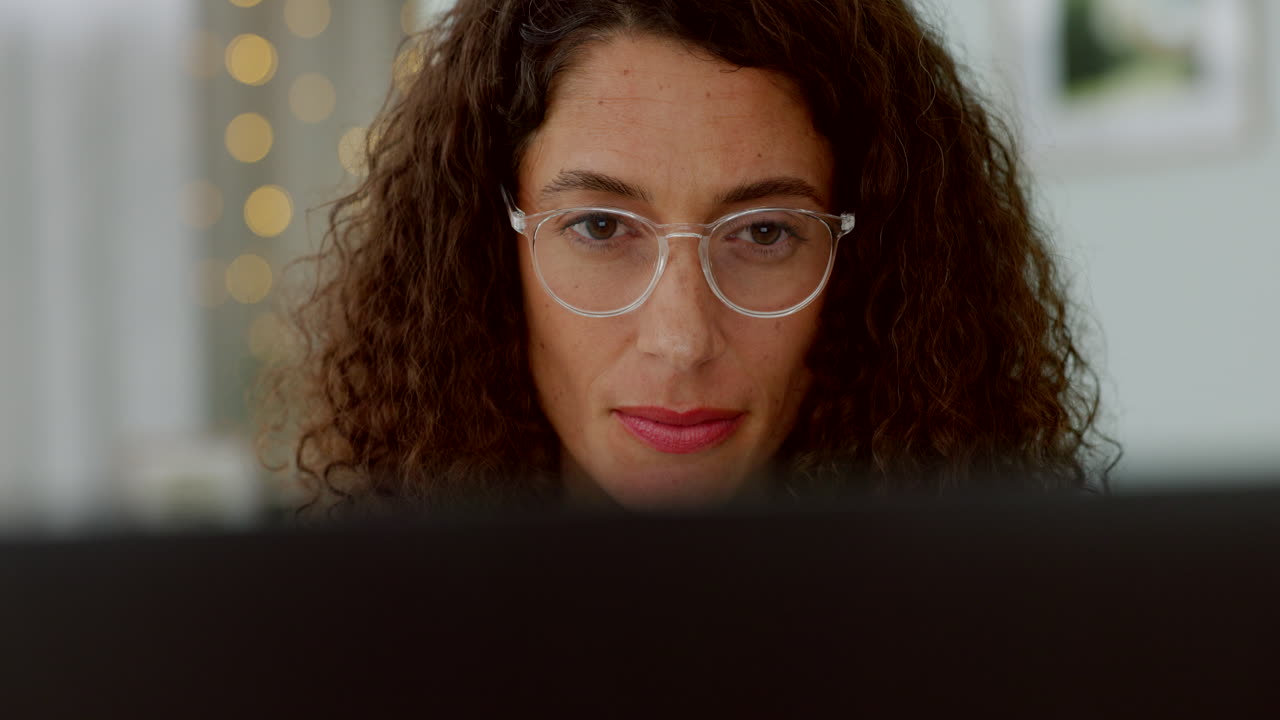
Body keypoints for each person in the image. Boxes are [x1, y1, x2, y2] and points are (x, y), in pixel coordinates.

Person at [258, 0, 1115, 514]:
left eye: (764, 234)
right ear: (488, 254)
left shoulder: (1023, 655)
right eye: (599, 227)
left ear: (877, 268)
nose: (681, 337)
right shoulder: (338, 657)